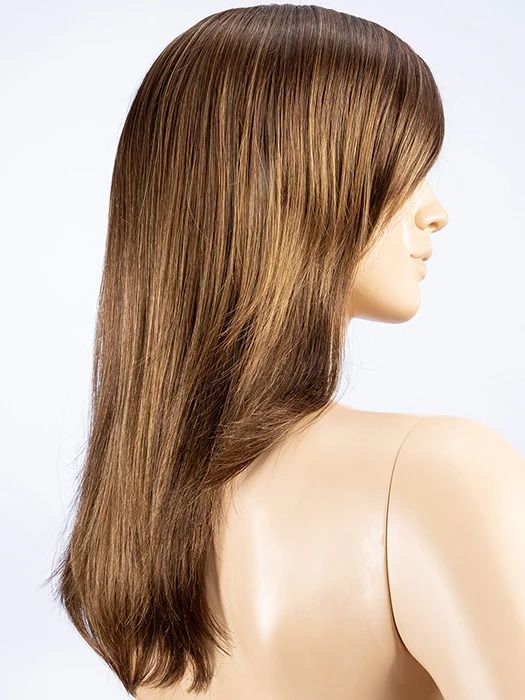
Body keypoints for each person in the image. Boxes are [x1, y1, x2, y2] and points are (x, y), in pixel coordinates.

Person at [48, 5, 525, 699]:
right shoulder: (439, 475)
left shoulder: (134, 526)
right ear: (292, 186)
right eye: (404, 168)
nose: (434, 211)